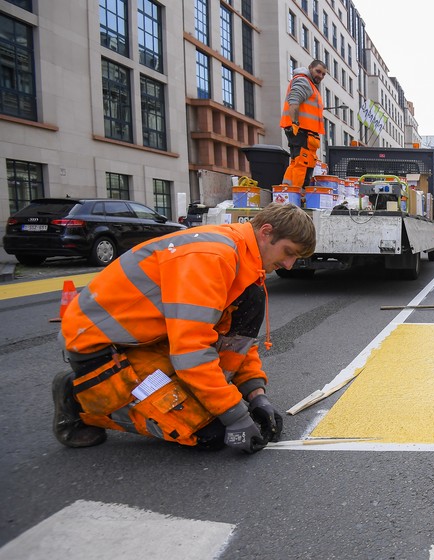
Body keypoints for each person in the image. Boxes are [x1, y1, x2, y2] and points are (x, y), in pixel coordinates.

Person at [54, 203, 316, 454]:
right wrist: (234, 414)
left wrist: (255, 393)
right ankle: (82, 395)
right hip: (102, 349)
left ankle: (205, 392)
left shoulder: (241, 261)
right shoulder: (212, 257)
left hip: (151, 340)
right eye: (288, 252)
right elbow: (191, 351)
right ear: (266, 232)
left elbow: (234, 338)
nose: (289, 265)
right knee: (208, 433)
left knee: (251, 299)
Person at [280, 60, 327, 189]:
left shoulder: (309, 84)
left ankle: (288, 191)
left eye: (323, 74)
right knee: (302, 163)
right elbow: (294, 101)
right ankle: (295, 194)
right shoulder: (304, 81)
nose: (320, 76)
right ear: (310, 68)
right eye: (318, 71)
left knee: (297, 163)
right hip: (301, 131)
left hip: (304, 132)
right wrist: (295, 123)